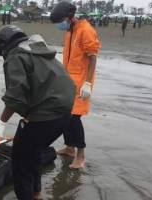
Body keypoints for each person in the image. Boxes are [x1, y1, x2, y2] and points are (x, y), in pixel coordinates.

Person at [0, 25, 75, 200]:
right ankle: (36, 193)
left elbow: (16, 96)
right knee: (34, 152)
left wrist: (1, 123)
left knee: (20, 161)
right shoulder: (40, 51)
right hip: (66, 114)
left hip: (45, 116)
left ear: (4, 47)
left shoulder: (16, 55)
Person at [50, 1, 101, 169]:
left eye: (61, 21)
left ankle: (81, 155)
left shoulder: (85, 30)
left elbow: (92, 56)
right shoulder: (70, 30)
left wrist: (87, 83)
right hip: (68, 81)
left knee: (74, 119)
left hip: (81, 84)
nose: (59, 24)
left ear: (70, 17)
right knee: (66, 115)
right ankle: (69, 148)